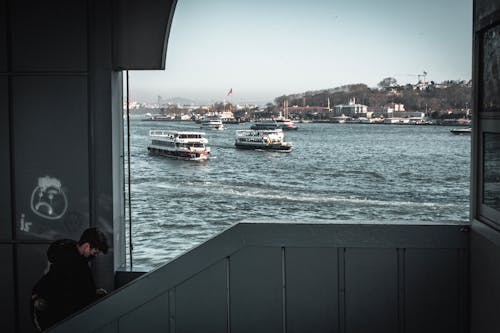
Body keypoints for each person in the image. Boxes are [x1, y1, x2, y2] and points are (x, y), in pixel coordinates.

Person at [31, 227, 110, 331]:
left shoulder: (66, 251)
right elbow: (73, 290)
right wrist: (93, 294)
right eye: (94, 252)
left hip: (41, 302)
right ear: (87, 246)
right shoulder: (76, 264)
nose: (94, 256)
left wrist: (92, 292)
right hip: (48, 308)